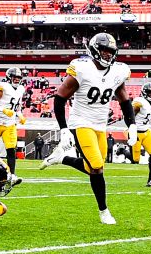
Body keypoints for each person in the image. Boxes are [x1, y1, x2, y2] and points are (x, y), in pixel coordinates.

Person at [41, 33, 135, 224]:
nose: (108, 55)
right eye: (104, 51)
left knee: (94, 168)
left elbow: (124, 100)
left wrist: (132, 124)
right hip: (81, 123)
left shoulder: (119, 71)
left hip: (100, 125)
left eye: (111, 52)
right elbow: (59, 98)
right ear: (94, 50)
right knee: (97, 166)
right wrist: (64, 129)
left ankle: (62, 158)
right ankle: (104, 211)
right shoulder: (82, 69)